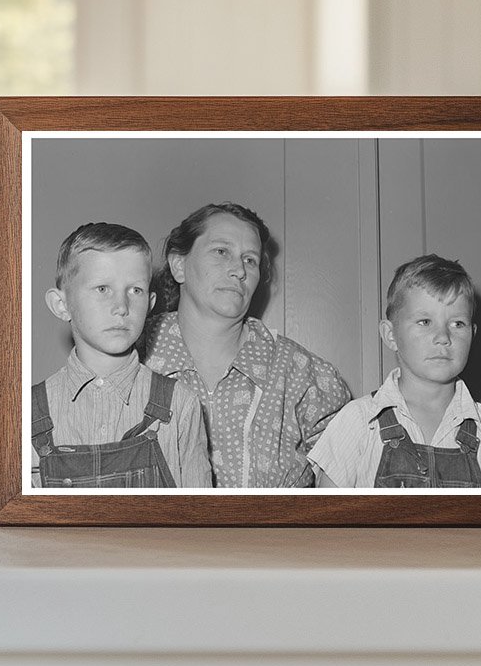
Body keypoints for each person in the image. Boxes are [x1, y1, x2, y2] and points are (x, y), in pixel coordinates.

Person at [144, 203, 350, 488]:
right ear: (179, 265)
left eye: (250, 260)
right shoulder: (133, 356)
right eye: (221, 252)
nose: (239, 270)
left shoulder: (299, 372)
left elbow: (349, 472)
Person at [30, 222, 211, 489]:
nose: (122, 307)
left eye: (135, 290)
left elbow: (201, 522)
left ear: (150, 304)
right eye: (103, 289)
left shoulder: (180, 405)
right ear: (61, 305)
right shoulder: (26, 413)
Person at [308, 254, 481, 488]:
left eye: (457, 324)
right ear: (390, 335)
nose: (443, 338)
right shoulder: (358, 422)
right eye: (425, 321)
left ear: (473, 335)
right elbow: (326, 519)